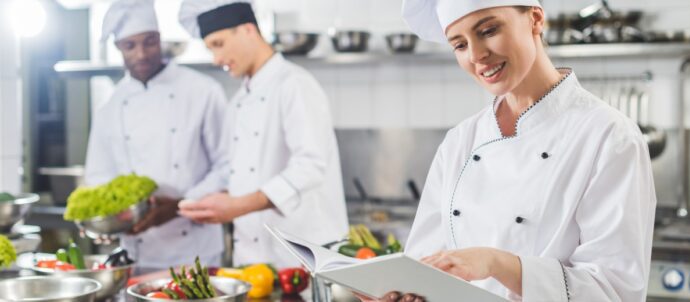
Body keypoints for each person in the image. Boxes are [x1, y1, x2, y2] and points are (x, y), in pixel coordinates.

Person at [362, 0, 657, 301]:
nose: (477, 55)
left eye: (488, 30)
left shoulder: (608, 137)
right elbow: (425, 266)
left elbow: (614, 291)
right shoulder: (460, 141)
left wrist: (497, 264)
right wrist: (402, 293)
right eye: (460, 45)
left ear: (535, 20)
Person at [177, 0, 348, 268]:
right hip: (251, 261)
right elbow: (232, 172)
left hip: (302, 260)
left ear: (247, 30)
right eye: (210, 49)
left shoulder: (295, 84)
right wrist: (191, 202)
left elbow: (310, 166)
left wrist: (238, 206)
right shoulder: (238, 103)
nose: (216, 59)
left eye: (218, 44)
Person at [85, 0, 228, 268]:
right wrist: (101, 217)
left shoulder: (203, 91)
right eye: (130, 45)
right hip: (136, 252)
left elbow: (227, 166)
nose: (141, 54)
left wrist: (181, 205)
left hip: (195, 249)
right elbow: (99, 177)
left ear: (160, 39)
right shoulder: (110, 107)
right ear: (118, 48)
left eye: (149, 42)